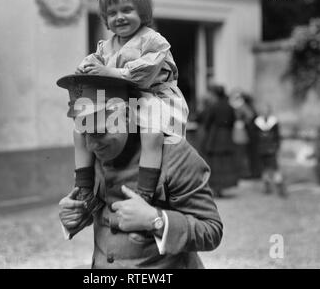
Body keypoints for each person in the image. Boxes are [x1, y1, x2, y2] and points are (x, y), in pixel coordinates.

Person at [57, 74, 223, 269]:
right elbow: (100, 211)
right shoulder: (94, 152)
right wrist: (74, 216)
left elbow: (211, 231)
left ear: (128, 116)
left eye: (99, 133)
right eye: (84, 134)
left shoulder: (175, 154)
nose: (91, 145)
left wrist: (155, 220)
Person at [72, 0, 189, 212]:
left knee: (151, 130)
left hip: (151, 95)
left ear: (143, 12)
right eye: (112, 13)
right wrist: (84, 70)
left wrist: (109, 71)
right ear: (105, 18)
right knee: (81, 126)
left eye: (127, 10)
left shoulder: (154, 40)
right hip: (119, 99)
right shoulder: (106, 45)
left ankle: (145, 190)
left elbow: (145, 73)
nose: (119, 17)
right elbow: (92, 63)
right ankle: (84, 186)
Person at [202, 85, 238, 197]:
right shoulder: (229, 107)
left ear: (215, 94)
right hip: (226, 136)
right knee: (225, 161)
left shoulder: (214, 106)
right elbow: (232, 121)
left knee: (215, 161)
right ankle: (222, 187)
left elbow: (207, 122)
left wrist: (209, 133)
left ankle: (216, 187)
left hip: (216, 136)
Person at [254, 104, 287, 197]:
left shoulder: (274, 122)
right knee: (264, 167)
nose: (265, 112)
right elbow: (254, 137)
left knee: (274, 167)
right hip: (261, 148)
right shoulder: (257, 122)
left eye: (266, 110)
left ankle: (280, 185)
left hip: (271, 148)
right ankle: (267, 185)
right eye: (263, 110)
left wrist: (276, 146)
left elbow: (277, 136)